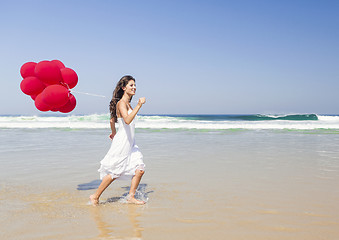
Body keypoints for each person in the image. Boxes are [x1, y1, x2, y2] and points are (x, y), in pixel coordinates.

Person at [90, 75, 146, 205]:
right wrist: (139, 105)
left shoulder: (127, 103)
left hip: (130, 142)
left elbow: (112, 119)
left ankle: (130, 197)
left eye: (135, 85)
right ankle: (95, 196)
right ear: (123, 87)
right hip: (123, 142)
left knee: (140, 169)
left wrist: (114, 132)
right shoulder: (121, 103)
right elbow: (127, 120)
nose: (134, 87)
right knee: (116, 171)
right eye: (131, 85)